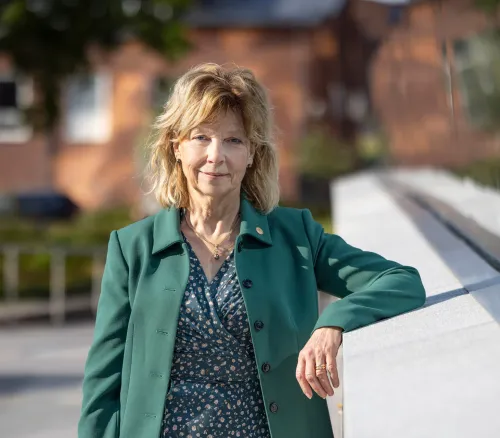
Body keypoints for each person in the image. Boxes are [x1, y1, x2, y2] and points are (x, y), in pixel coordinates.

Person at [78, 63, 426, 438]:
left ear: (252, 154)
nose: (216, 156)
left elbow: (403, 281)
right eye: (201, 137)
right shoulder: (132, 249)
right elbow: (103, 387)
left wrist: (335, 320)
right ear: (176, 146)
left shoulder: (296, 237)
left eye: (234, 140)